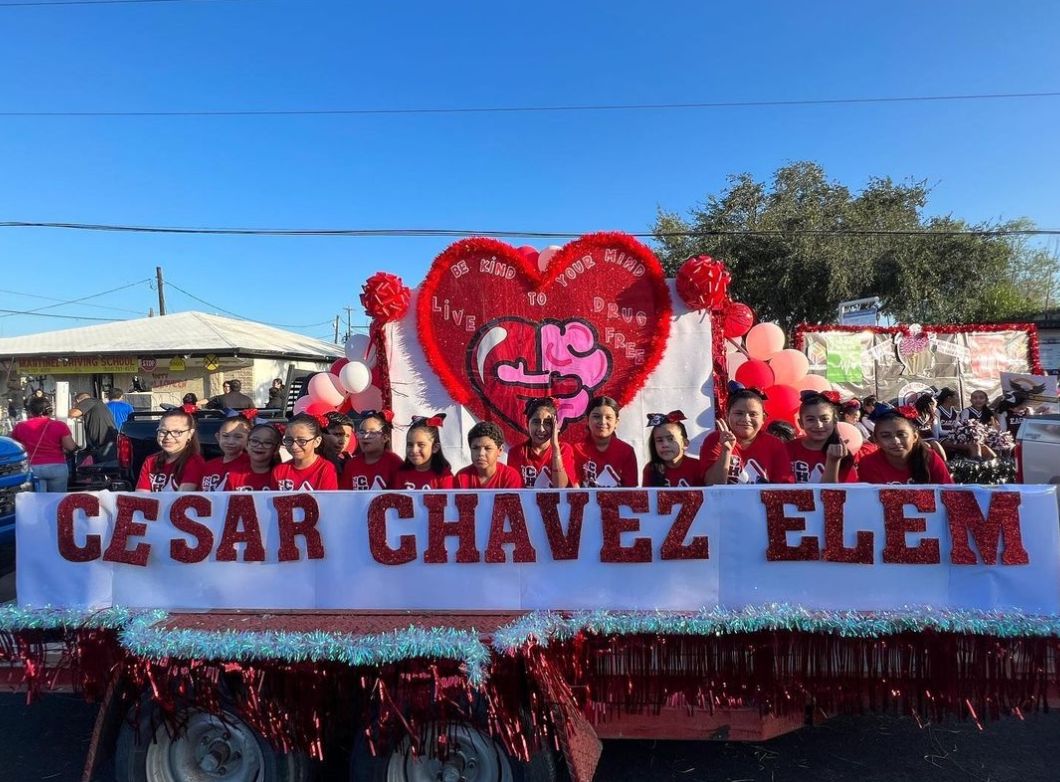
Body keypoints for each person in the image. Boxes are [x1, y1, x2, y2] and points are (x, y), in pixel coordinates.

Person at [701, 383, 794, 485]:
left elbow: (784, 489)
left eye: (753, 414)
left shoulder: (774, 444)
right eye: (739, 413)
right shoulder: (715, 440)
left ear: (763, 418)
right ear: (727, 415)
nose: (746, 419)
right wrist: (726, 451)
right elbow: (711, 485)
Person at [858, 404, 953, 484]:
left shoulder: (930, 458)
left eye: (901, 434)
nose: (895, 441)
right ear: (876, 440)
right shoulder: (868, 464)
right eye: (885, 436)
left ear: (914, 437)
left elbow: (950, 495)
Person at [787, 391, 856, 483]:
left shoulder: (842, 454)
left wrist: (833, 461)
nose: (819, 425)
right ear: (801, 423)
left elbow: (835, 494)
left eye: (825, 419)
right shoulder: (787, 449)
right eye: (810, 419)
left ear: (834, 421)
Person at [11, 396, 78, 492]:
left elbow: (16, 448)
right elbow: (71, 447)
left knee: (37, 501)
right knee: (57, 501)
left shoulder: (20, 427)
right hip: (56, 467)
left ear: (30, 411)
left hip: (32, 468)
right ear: (49, 410)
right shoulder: (59, 425)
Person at [506, 398, 576, 488]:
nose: (541, 429)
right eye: (536, 422)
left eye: (547, 423)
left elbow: (561, 487)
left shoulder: (564, 450)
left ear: (555, 425)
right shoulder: (516, 453)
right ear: (527, 423)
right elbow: (514, 492)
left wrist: (555, 448)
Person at [572, 396, 638, 487]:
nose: (602, 422)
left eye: (608, 417)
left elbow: (631, 491)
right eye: (596, 416)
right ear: (587, 420)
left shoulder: (626, 451)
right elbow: (574, 489)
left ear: (616, 422)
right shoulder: (576, 449)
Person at [136, 409, 206, 491]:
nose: (168, 437)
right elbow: (141, 496)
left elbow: (182, 498)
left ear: (190, 434)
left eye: (177, 432)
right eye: (163, 431)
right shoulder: (150, 461)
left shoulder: (194, 462)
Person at [272, 413, 338, 490]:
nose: (294, 446)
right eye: (289, 440)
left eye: (302, 441)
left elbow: (328, 500)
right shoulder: (279, 471)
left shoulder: (326, 469)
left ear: (317, 441)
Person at [340, 410, 403, 490]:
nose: (365, 437)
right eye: (362, 432)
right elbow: (344, 496)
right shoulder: (351, 464)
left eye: (372, 433)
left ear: (385, 437)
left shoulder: (395, 463)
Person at [454, 422, 522, 489]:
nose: (481, 453)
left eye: (488, 448)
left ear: (500, 450)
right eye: (475, 448)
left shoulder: (510, 477)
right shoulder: (461, 477)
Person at [393, 415, 454, 489]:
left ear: (435, 447)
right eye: (410, 445)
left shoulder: (445, 475)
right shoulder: (401, 473)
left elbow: (449, 500)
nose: (414, 450)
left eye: (421, 445)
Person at [642, 411, 701, 487]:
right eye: (659, 440)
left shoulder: (697, 467)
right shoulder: (650, 470)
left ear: (685, 443)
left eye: (670, 439)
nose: (665, 445)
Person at [200, 415, 253, 490]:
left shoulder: (252, 464)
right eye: (225, 436)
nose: (230, 442)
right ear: (218, 437)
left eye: (238, 437)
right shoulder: (208, 466)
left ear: (249, 439)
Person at [69, 391, 118, 462]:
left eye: (75, 403)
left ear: (78, 401)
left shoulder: (90, 401)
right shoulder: (96, 405)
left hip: (105, 443)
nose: (75, 405)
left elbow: (74, 413)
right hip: (103, 443)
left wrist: (62, 411)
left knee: (104, 467)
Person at [232, 423, 281, 490]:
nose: (259, 446)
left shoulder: (282, 475)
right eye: (254, 441)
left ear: (276, 448)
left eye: (267, 443)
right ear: (246, 444)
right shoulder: (233, 474)